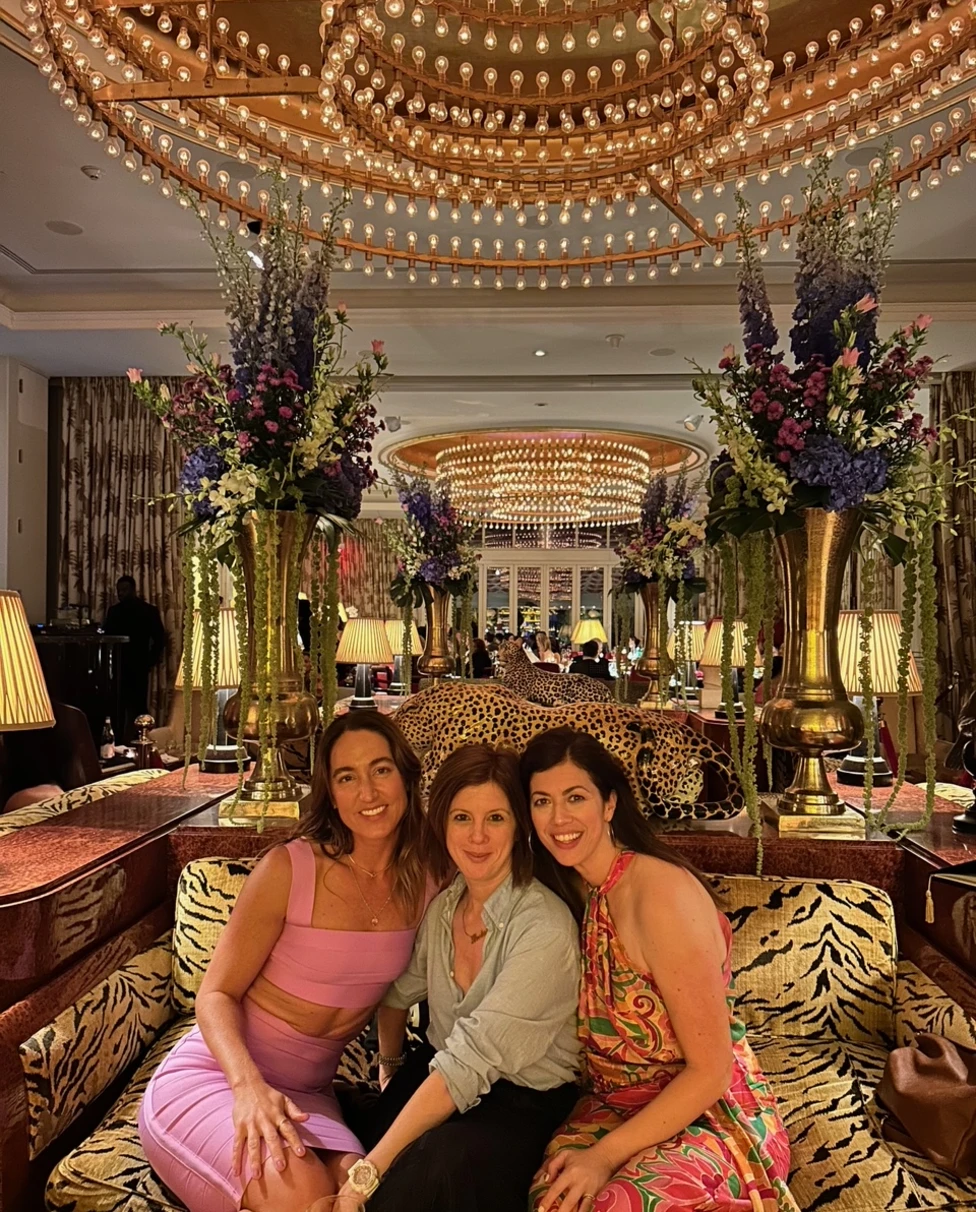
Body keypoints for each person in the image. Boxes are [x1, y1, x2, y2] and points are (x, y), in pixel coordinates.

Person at [138, 713, 428, 1212]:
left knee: (363, 1196)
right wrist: (248, 1089)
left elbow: (396, 990)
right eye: (346, 777)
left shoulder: (428, 880)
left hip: (311, 1094)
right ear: (331, 794)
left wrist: (390, 1069)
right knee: (304, 1197)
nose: (368, 791)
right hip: (218, 1079)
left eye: (381, 770)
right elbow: (215, 995)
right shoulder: (290, 869)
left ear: (405, 776)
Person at [523, 727, 797, 1212]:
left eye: (575, 797)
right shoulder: (572, 890)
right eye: (542, 801)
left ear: (609, 805)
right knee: (556, 1197)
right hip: (613, 1105)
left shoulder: (660, 896)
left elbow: (710, 1071)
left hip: (710, 1110)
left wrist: (603, 1157)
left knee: (619, 1203)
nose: (559, 818)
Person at [333, 743, 581, 1212]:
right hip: (438, 1069)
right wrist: (388, 1069)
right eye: (462, 818)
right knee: (342, 1127)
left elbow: (470, 1063)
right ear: (442, 824)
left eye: (496, 818)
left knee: (435, 1168)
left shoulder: (544, 928)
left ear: (521, 827)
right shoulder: (446, 905)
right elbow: (397, 992)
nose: (478, 838)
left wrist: (365, 1177)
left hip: (522, 1099)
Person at [103, 575, 166, 740]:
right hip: (121, 667)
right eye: (118, 591)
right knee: (119, 708)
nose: (120, 594)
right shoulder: (115, 611)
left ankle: (139, 742)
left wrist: (149, 661)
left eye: (123, 590)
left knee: (136, 708)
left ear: (133, 590)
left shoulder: (146, 610)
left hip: (136, 666)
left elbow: (160, 639)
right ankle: (124, 742)